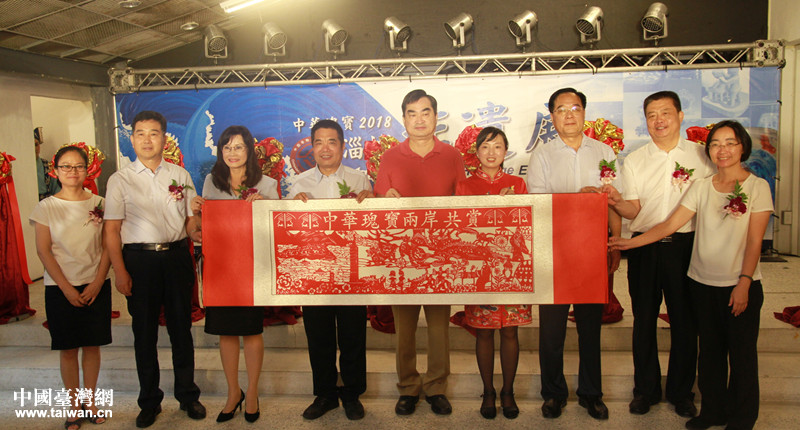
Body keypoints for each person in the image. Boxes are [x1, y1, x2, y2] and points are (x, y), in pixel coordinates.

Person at [609, 120, 772, 430]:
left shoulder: (757, 187)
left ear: (742, 147)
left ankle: (742, 419)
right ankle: (712, 412)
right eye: (716, 144)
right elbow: (669, 225)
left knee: (741, 356)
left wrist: (745, 281)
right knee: (709, 354)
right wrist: (630, 243)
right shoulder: (701, 186)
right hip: (701, 282)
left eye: (730, 143)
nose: (722, 150)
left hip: (738, 284)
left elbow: (755, 241)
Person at [603, 90, 714, 417]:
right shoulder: (635, 159)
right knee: (643, 321)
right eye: (651, 115)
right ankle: (645, 391)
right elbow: (633, 210)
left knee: (685, 321)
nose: (658, 120)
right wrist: (615, 202)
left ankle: (682, 392)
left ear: (680, 116)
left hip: (687, 247)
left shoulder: (703, 156)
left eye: (665, 113)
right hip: (644, 248)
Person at [104, 111, 205, 428]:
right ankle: (149, 401)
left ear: (164, 138)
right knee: (144, 334)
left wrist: (198, 228)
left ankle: (187, 395)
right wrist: (120, 272)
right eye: (140, 133)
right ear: (132, 138)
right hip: (139, 261)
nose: (147, 140)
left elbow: (189, 222)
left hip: (176, 258)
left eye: (154, 133)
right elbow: (111, 230)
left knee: (181, 331)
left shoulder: (180, 175)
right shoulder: (120, 179)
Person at [525, 87, 621, 420]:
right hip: (554, 254)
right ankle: (553, 393)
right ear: (552, 116)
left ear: (584, 113)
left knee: (590, 329)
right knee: (551, 332)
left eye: (575, 108)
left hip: (592, 253)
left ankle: (591, 394)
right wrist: (579, 198)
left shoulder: (604, 152)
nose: (569, 114)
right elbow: (537, 205)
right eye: (561, 109)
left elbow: (614, 201)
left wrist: (615, 241)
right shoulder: (542, 155)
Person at [374, 89, 466, 416]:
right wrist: (385, 199)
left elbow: (463, 203)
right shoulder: (390, 157)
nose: (419, 119)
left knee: (439, 328)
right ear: (404, 119)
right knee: (405, 329)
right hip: (403, 256)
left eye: (425, 112)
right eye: (412, 113)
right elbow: (379, 204)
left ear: (436, 117)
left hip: (441, 256)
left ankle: (437, 386)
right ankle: (408, 386)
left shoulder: (452, 155)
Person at [190, 125, 278, 423]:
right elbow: (202, 226)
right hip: (220, 267)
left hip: (252, 268)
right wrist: (196, 211)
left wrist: (266, 206)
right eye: (227, 147)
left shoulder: (267, 184)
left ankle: (252, 393)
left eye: (238, 147)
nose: (232, 153)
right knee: (226, 332)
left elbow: (277, 226)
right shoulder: (211, 182)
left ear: (249, 150)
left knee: (251, 331)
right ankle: (233, 392)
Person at [287, 119, 373, 421]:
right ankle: (325, 394)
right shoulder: (298, 184)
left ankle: (352, 394)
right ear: (312, 147)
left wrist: (371, 203)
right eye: (319, 142)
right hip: (314, 273)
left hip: (351, 272)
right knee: (319, 336)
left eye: (332, 141)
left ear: (342, 146)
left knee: (353, 336)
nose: (325, 148)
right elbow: (288, 231)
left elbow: (370, 227)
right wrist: (292, 208)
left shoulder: (360, 180)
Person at [30, 145, 111, 430]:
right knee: (67, 349)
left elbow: (108, 246)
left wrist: (98, 281)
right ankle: (74, 406)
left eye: (78, 166)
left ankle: (91, 402)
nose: (72, 171)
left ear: (88, 169)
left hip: (95, 284)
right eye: (66, 166)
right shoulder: (46, 207)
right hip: (59, 287)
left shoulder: (100, 203)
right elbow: (44, 251)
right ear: (55, 171)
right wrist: (66, 288)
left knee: (92, 346)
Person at [455, 127, 530, 420]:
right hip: (480, 270)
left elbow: (526, 225)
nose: (491, 152)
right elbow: (460, 228)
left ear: (506, 151)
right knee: (484, 332)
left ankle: (508, 391)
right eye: (485, 147)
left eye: (497, 146)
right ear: (476, 152)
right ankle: (488, 391)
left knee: (510, 331)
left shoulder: (517, 184)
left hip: (511, 270)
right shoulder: (464, 186)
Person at [34, 127, 59, 200]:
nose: (34, 148)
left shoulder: (48, 166)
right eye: (30, 145)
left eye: (36, 144)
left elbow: (57, 190)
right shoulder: (19, 167)